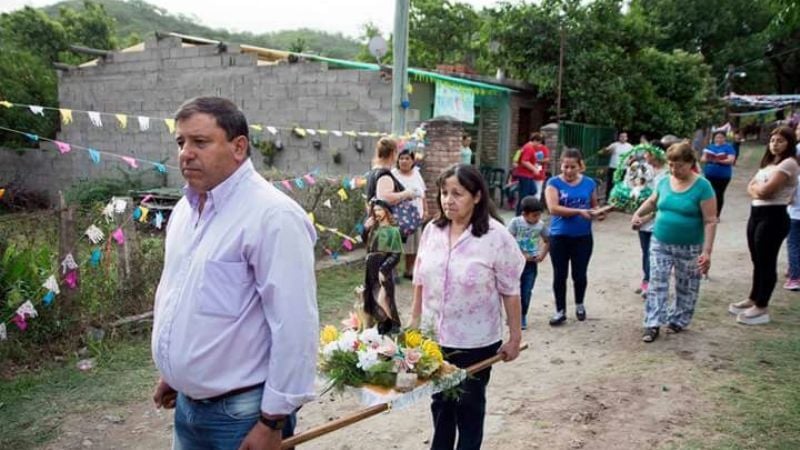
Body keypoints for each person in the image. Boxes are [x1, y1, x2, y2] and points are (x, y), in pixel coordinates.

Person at [151, 97, 319, 449]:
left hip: (243, 416)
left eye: (200, 142)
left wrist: (271, 421)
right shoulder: (186, 209)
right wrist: (176, 373)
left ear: (238, 146)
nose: (186, 153)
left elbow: (295, 326)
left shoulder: (273, 216)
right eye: (181, 142)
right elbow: (181, 295)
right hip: (187, 407)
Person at [410, 164, 524, 450]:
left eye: (457, 194)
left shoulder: (496, 237)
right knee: (441, 405)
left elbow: (510, 291)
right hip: (435, 338)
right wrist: (414, 327)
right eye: (444, 192)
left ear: (476, 196)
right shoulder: (432, 231)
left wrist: (514, 338)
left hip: (476, 342)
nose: (448, 199)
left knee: (469, 407)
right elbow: (420, 281)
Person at [633, 143, 717, 342]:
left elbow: (710, 220)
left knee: (686, 284)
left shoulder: (703, 186)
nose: (674, 170)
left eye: (679, 165)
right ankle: (652, 323)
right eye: (671, 165)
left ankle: (679, 319)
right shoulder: (663, 181)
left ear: (690, 163)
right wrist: (638, 214)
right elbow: (653, 201)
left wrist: (707, 252)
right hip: (660, 242)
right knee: (657, 282)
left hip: (689, 246)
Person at [729, 126, 800, 325]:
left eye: (780, 141)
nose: (775, 144)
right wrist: (757, 190)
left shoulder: (789, 164)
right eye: (772, 140)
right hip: (756, 212)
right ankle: (753, 297)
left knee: (766, 260)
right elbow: (751, 187)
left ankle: (762, 306)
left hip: (774, 215)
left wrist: (757, 189)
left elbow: (765, 191)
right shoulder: (769, 163)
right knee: (757, 259)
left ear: (789, 143)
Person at [544, 149, 604, 326]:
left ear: (580, 166)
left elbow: (594, 205)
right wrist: (579, 211)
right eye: (565, 167)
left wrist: (599, 213)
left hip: (582, 236)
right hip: (559, 236)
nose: (568, 171)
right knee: (559, 274)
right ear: (560, 165)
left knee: (579, 274)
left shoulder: (589, 183)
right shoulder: (553, 183)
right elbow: (553, 208)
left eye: (573, 167)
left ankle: (579, 304)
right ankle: (560, 310)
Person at [507, 196, 550, 330]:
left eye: (539, 215)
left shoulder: (540, 225)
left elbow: (548, 240)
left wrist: (542, 255)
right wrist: (521, 253)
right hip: (515, 263)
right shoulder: (516, 223)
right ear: (524, 214)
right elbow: (508, 240)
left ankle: (522, 315)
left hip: (531, 264)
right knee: (513, 291)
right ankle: (512, 316)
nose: (537, 218)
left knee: (526, 291)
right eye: (534, 215)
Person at [362, 199, 403, 334]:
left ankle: (393, 324)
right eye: (375, 210)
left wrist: (384, 269)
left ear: (386, 211)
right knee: (372, 298)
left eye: (379, 209)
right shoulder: (374, 229)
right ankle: (382, 323)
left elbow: (396, 254)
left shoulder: (393, 231)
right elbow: (365, 242)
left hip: (382, 267)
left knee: (383, 298)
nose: (376, 212)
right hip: (371, 268)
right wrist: (366, 229)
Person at [633, 150, 668, 298]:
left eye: (649, 154)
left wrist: (648, 216)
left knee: (653, 253)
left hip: (657, 218)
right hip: (643, 218)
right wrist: (637, 214)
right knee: (645, 251)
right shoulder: (644, 170)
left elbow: (662, 200)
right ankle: (646, 280)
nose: (646, 157)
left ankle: (651, 283)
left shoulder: (666, 175)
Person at [392, 148, 428, 279]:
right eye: (401, 158)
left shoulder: (417, 174)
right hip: (397, 216)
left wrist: (426, 210)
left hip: (414, 216)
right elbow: (390, 194)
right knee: (395, 245)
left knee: (412, 245)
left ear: (412, 160)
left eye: (407, 158)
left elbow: (423, 194)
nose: (404, 161)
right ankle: (393, 271)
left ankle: (409, 270)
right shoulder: (393, 174)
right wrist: (404, 196)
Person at [701, 131, 737, 218]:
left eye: (721, 137)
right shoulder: (710, 147)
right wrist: (708, 158)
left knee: (719, 194)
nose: (719, 139)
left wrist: (719, 160)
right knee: (709, 194)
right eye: (717, 137)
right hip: (709, 174)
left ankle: (716, 215)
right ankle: (707, 213)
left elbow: (731, 160)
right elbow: (702, 159)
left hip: (723, 176)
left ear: (724, 138)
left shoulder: (729, 148)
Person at [785, 122, 800, 290]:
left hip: (796, 214)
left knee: (794, 244)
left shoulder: (794, 176)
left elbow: (789, 197)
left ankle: (795, 277)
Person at [515, 132, 544, 215]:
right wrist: (534, 169)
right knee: (524, 195)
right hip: (525, 175)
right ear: (535, 141)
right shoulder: (529, 148)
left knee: (533, 190)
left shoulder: (527, 147)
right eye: (539, 143)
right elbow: (524, 161)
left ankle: (526, 209)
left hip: (528, 175)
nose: (539, 145)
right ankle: (520, 213)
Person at [601, 131, 633, 202]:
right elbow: (606, 152)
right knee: (610, 183)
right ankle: (608, 198)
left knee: (622, 184)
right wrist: (606, 150)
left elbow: (632, 156)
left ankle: (619, 199)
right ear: (619, 137)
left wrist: (630, 161)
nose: (623, 138)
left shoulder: (630, 146)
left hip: (623, 168)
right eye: (621, 136)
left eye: (624, 136)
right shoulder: (614, 145)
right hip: (613, 167)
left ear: (627, 138)